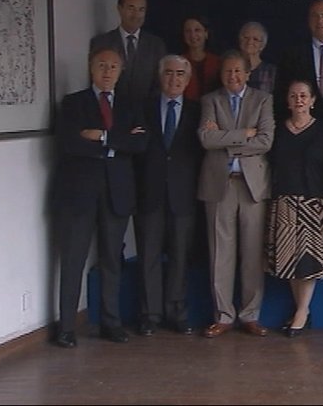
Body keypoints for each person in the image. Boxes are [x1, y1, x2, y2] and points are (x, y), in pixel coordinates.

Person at [53, 47, 148, 348]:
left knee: (111, 260)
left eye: (114, 66)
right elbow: (70, 144)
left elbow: (140, 143)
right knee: (73, 259)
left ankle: (111, 322)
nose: (107, 71)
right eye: (102, 65)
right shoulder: (73, 103)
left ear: (121, 72)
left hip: (117, 193)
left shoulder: (131, 105)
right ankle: (66, 327)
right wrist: (118, 142)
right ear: (91, 68)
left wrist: (103, 137)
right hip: (79, 195)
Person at [197, 50, 274, 339]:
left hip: (252, 185)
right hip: (220, 183)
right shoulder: (210, 100)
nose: (233, 76)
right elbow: (205, 139)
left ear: (248, 74)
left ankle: (250, 315)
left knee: (253, 254)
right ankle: (224, 315)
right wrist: (245, 134)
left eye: (238, 72)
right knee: (220, 252)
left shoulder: (263, 99)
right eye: (227, 72)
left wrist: (225, 138)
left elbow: (266, 141)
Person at [132, 55, 203, 336]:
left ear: (187, 80)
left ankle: (177, 312)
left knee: (179, 257)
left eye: (180, 75)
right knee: (148, 256)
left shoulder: (198, 111)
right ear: (160, 77)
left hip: (184, 195)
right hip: (149, 193)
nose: (174, 79)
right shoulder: (143, 107)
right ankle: (149, 314)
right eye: (169, 73)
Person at [266, 80, 323, 337]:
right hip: (285, 199)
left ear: (312, 100)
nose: (298, 100)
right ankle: (301, 310)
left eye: (303, 96)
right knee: (289, 260)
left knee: (308, 261)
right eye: (293, 95)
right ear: (287, 101)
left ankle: (302, 310)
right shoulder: (278, 130)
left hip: (314, 201)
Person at [89, 0, 166, 103]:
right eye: (131, 8)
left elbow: (160, 83)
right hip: (111, 110)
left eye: (141, 9)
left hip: (146, 112)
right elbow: (95, 81)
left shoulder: (156, 45)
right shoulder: (102, 42)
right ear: (120, 9)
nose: (136, 14)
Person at [180, 15, 220, 101]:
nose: (193, 35)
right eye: (188, 31)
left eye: (197, 30)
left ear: (206, 33)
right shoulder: (178, 62)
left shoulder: (218, 62)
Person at [238, 21, 278, 95]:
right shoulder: (231, 67)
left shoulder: (272, 72)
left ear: (262, 45)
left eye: (255, 39)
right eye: (246, 37)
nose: (250, 42)